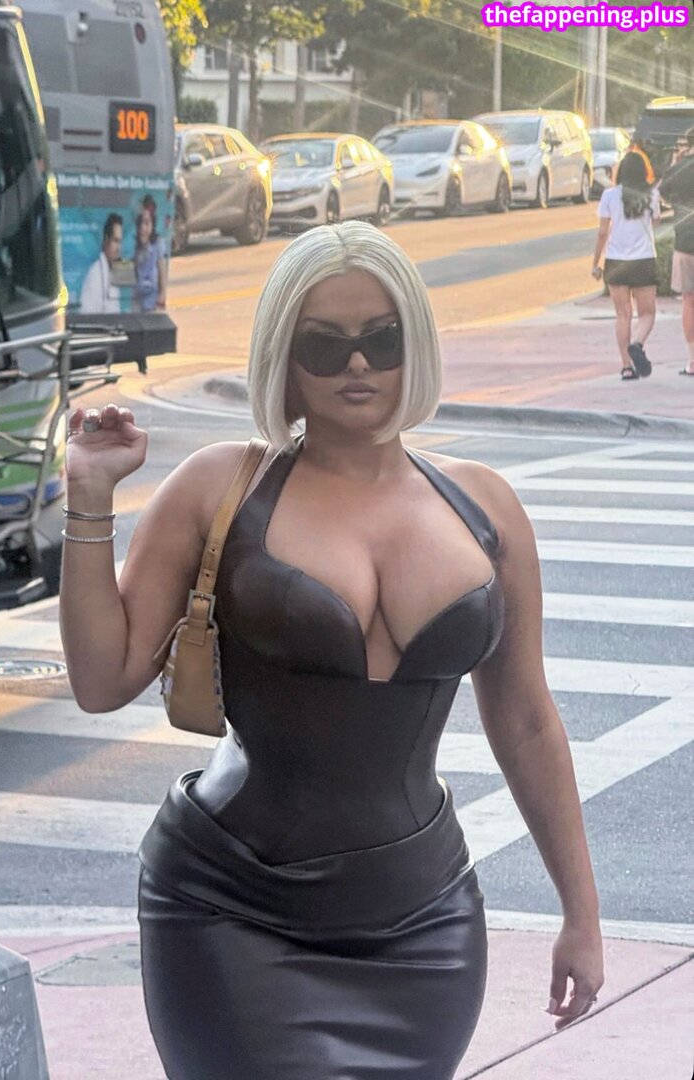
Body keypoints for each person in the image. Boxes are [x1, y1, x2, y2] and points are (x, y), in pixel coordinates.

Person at [60, 221, 604, 1079]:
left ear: (413, 344)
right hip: (232, 911)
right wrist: (88, 496)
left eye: (382, 340)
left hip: (425, 926)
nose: (358, 365)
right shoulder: (218, 487)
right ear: (284, 356)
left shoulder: (486, 510)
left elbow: (527, 720)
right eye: (325, 344)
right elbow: (101, 680)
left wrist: (582, 912)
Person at [591, 151, 661, 380]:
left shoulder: (609, 195)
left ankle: (626, 367)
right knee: (647, 313)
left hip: (616, 261)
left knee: (623, 315)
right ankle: (637, 344)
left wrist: (595, 262)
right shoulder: (652, 194)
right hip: (643, 260)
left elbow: (603, 233)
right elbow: (656, 222)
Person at [659, 126, 694, 376]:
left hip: (685, 242)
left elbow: (662, 192)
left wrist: (676, 162)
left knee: (689, 302)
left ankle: (692, 361)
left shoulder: (680, 169)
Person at [78, 212, 123, 314]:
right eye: (115, 241)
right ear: (106, 240)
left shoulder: (113, 271)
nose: (118, 248)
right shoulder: (95, 274)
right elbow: (87, 315)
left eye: (120, 242)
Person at [132, 210, 166, 312]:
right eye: (140, 224)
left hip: (153, 299)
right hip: (138, 300)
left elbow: (162, 270)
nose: (143, 228)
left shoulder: (158, 244)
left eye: (147, 223)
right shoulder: (135, 247)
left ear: (152, 225)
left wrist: (162, 294)